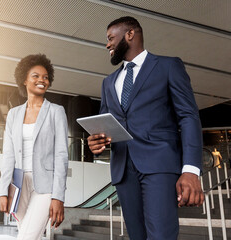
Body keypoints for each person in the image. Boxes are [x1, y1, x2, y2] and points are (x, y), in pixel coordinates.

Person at [87, 16, 204, 239]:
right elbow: (105, 124)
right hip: (123, 170)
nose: (108, 44)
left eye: (111, 38)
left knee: (160, 235)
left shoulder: (168, 66)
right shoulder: (108, 82)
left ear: (130, 34)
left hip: (160, 165)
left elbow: (188, 117)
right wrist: (96, 141)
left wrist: (191, 170)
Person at [0, 54, 69, 240]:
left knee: (26, 237)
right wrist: (3, 190)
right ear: (24, 80)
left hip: (45, 186)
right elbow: (9, 155)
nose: (41, 80)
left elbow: (61, 155)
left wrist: (58, 196)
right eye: (36, 76)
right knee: (30, 235)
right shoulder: (13, 115)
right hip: (19, 186)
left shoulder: (56, 112)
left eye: (45, 77)